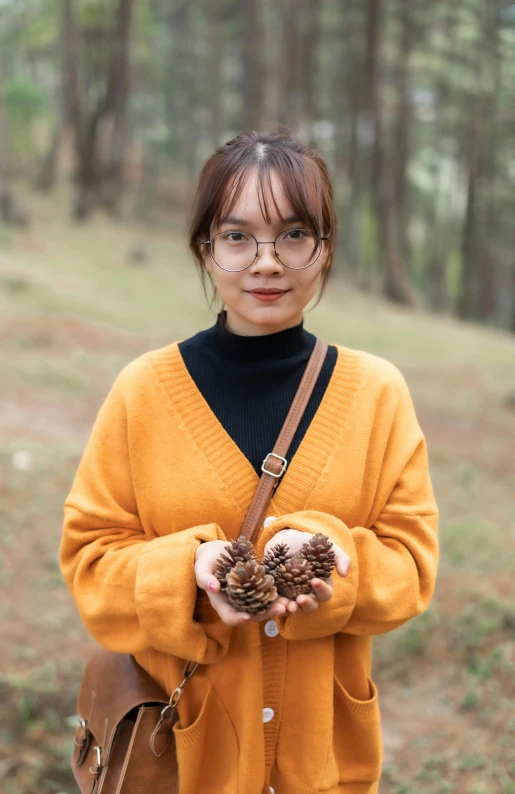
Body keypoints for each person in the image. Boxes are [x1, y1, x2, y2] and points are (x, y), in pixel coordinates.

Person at [60, 130, 439, 794]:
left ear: (325, 250)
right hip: (177, 762)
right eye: (237, 237)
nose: (266, 263)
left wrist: (322, 558)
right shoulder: (142, 392)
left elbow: (411, 565)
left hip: (325, 764)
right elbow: (89, 559)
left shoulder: (377, 394)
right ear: (205, 250)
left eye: (294, 235)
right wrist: (185, 572)